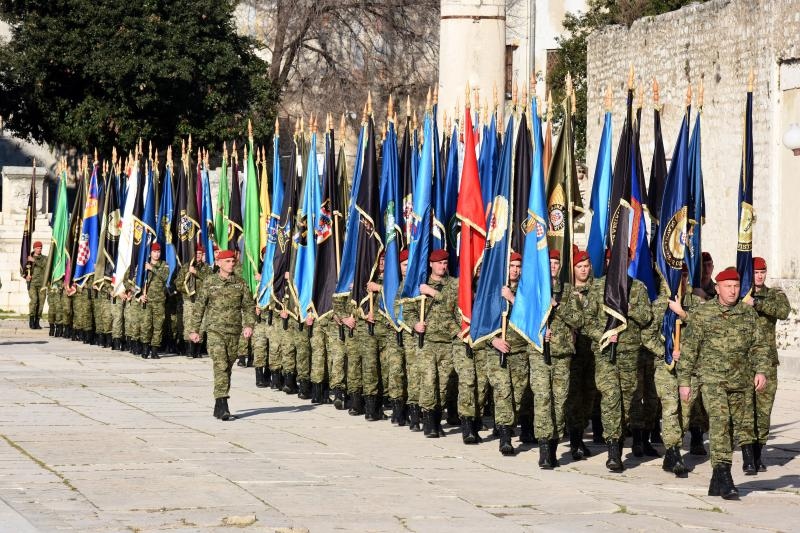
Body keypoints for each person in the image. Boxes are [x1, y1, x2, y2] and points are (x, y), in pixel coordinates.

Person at [678, 267, 770, 499]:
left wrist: (761, 371)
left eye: (736, 286)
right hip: (712, 381)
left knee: (733, 429)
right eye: (728, 286)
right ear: (717, 288)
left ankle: (716, 481)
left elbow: (759, 346)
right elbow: (689, 350)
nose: (732, 291)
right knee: (720, 425)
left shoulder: (748, 315)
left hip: (741, 381)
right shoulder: (703, 314)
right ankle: (725, 475)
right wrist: (684, 382)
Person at [582, 250, 652, 472]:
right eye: (614, 260)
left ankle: (619, 440)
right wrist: (603, 334)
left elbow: (646, 317)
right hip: (605, 353)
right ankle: (613, 452)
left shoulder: (638, 288)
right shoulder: (598, 287)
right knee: (611, 396)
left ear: (629, 261)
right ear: (609, 262)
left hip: (630, 354)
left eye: (623, 260)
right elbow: (587, 321)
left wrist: (628, 308)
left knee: (626, 402)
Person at [189, 249, 255, 421]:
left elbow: (248, 307)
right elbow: (199, 307)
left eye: (233, 261)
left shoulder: (240, 283)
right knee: (220, 364)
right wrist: (194, 330)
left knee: (227, 367)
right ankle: (223, 403)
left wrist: (248, 325)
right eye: (227, 261)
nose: (231, 264)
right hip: (215, 332)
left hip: (234, 332)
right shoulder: (210, 282)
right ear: (218, 263)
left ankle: (219, 404)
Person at [531, 250, 584, 467]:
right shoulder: (532, 289)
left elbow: (579, 320)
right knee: (543, 399)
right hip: (538, 353)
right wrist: (539, 331)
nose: (552, 266)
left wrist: (557, 306)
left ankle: (553, 444)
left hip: (562, 354)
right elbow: (522, 319)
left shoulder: (569, 292)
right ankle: (544, 449)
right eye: (549, 262)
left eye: (556, 263)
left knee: (559, 402)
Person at [403, 249, 459, 438]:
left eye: (445, 263)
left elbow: (454, 304)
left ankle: (436, 420)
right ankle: (428, 422)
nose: (442, 266)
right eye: (439, 263)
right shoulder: (420, 284)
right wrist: (414, 324)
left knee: (443, 385)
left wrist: (432, 292)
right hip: (426, 342)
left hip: (448, 341)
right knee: (428, 381)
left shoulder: (453, 284)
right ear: (431, 264)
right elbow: (406, 308)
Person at [742, 257, 790, 471]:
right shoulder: (741, 295)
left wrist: (757, 303)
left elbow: (784, 311)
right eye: (755, 272)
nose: (759, 276)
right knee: (746, 410)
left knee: (763, 411)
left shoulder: (774, 294)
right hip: (744, 362)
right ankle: (747, 458)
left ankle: (758, 453)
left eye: (762, 272)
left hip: (768, 362)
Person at [567, 251, 597, 459]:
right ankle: (575, 441)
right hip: (574, 352)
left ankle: (581, 434)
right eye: (580, 266)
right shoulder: (567, 292)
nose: (584, 270)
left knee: (589, 397)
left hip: (593, 350)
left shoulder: (598, 291)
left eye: (586, 266)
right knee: (574, 398)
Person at [175, 245, 212, 357]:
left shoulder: (207, 268)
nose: (198, 256)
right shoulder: (186, 267)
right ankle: (189, 349)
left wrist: (196, 273)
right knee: (189, 323)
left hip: (202, 301)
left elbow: (210, 281)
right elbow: (178, 283)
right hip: (189, 300)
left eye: (200, 254)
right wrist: (187, 291)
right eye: (196, 254)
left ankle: (198, 349)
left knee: (201, 325)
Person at [139, 243, 169, 359]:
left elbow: (165, 276)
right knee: (146, 325)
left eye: (158, 252)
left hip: (159, 301)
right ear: (150, 253)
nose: (157, 254)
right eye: (154, 252)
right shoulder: (143, 265)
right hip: (147, 300)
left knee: (158, 326)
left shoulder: (163, 265)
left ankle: (155, 349)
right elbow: (133, 282)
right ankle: (145, 349)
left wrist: (152, 268)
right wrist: (139, 295)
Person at [25, 241, 47, 329]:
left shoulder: (44, 258)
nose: (39, 249)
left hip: (42, 284)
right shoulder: (28, 258)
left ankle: (37, 322)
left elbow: (45, 266)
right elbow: (23, 269)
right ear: (34, 248)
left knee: (41, 303)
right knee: (34, 300)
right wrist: (26, 276)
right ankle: (31, 320)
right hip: (33, 283)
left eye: (40, 248)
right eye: (37, 248)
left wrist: (34, 260)